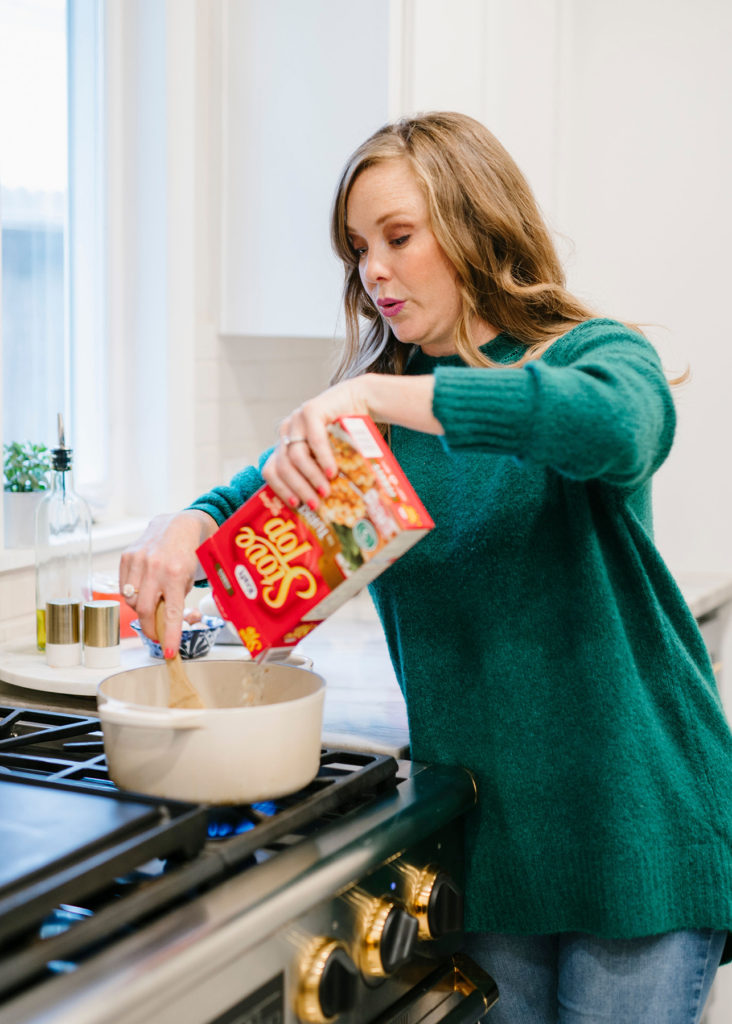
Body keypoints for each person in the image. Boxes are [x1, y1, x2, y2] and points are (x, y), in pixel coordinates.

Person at [120, 111, 732, 1023]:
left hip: (635, 832)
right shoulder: (373, 433)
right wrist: (183, 527)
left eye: (398, 238)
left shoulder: (591, 354)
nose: (373, 271)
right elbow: (247, 498)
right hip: (491, 847)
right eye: (359, 249)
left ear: (475, 223)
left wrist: (382, 393)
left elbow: (617, 427)